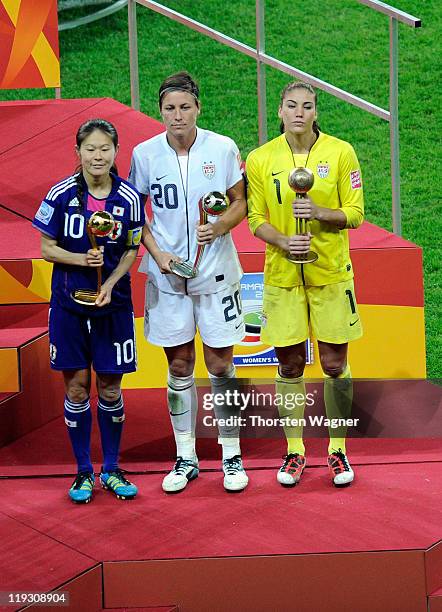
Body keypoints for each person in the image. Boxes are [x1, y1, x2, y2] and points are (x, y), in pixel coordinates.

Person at [129, 71, 249, 493]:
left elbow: (241, 203)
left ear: (198, 108)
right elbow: (134, 214)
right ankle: (186, 456)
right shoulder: (144, 155)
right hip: (166, 277)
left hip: (216, 273)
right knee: (179, 365)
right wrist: (157, 254)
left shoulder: (223, 147)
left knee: (220, 364)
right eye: (169, 109)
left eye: (184, 107)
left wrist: (218, 229)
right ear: (159, 111)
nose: (177, 116)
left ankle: (231, 455)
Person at [246, 81, 364, 487]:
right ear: (279, 110)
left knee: (333, 364)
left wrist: (319, 212)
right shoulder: (261, 159)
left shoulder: (341, 152)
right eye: (292, 105)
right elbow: (255, 219)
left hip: (331, 273)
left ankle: (338, 451)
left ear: (316, 111)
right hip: (282, 276)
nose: (299, 112)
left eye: (307, 106)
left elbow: (356, 214)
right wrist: (282, 241)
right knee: (290, 364)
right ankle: (295, 450)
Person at [33, 118, 145, 503]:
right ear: (77, 151)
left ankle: (111, 469)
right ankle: (83, 472)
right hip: (68, 306)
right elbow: (47, 248)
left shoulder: (129, 198)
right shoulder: (60, 195)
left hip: (112, 306)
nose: (98, 156)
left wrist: (111, 284)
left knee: (111, 387)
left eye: (105, 149)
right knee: (78, 387)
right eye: (90, 149)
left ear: (116, 152)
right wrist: (82, 259)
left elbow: (132, 248)